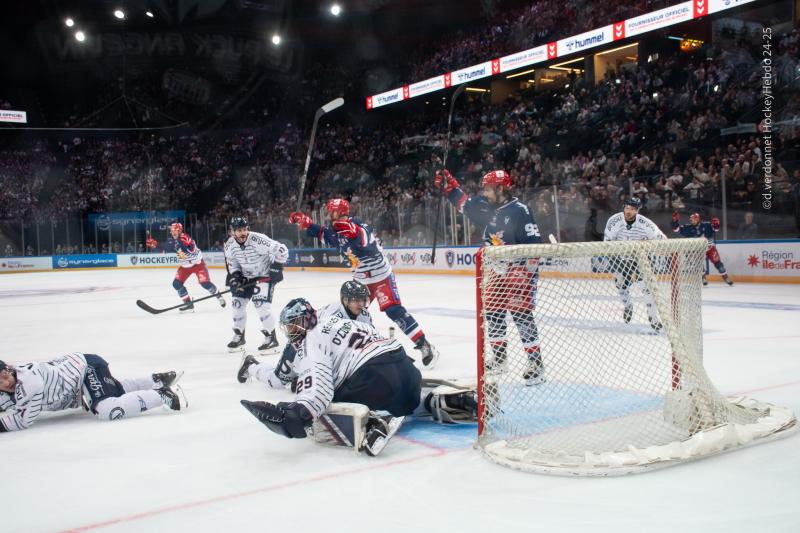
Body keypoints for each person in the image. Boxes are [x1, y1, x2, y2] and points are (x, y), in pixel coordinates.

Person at [239, 298, 478, 456]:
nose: (292, 331)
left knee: (325, 406)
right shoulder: (340, 321)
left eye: (294, 325)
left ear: (306, 320)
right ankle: (433, 401)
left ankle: (375, 420)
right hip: (406, 369)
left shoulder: (311, 340)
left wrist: (295, 415)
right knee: (401, 394)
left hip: (372, 380)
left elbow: (319, 390)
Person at [288, 199, 439, 369]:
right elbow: (321, 232)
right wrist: (305, 222)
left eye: (332, 212)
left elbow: (366, 242)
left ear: (340, 212)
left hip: (381, 277)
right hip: (360, 280)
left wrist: (353, 232)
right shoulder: (334, 233)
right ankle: (366, 348)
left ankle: (425, 345)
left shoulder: (358, 225)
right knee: (350, 314)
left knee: (393, 310)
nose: (330, 215)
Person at [435, 168, 544, 385]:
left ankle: (536, 363)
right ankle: (500, 359)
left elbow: (534, 245)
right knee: (493, 313)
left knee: (521, 315)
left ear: (501, 189)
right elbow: (463, 204)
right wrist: (449, 187)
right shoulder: (485, 206)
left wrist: (526, 273)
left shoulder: (520, 211)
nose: (484, 193)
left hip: (518, 269)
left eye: (488, 189)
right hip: (496, 268)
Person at [237, 280, 374, 388]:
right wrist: (306, 375)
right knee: (276, 382)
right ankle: (250, 366)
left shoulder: (364, 314)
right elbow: (323, 351)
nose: (361, 304)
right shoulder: (332, 318)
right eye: (356, 300)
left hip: (314, 344)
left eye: (363, 300)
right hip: (302, 342)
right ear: (345, 300)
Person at [0, 354, 183, 432]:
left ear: (9, 369)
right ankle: (156, 380)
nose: (6, 383)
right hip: (81, 373)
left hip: (86, 369)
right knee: (116, 391)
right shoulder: (14, 383)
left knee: (107, 409)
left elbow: (22, 420)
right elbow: (6, 401)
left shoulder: (29, 382)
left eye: (5, 376)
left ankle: (163, 394)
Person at [223, 216, 288, 354]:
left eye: (244, 229)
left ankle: (271, 338)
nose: (243, 233)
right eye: (239, 230)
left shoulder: (258, 239)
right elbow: (232, 263)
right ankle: (239, 336)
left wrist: (277, 267)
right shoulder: (229, 245)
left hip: (264, 275)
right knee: (236, 304)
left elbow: (282, 250)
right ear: (232, 232)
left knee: (261, 305)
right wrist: (236, 277)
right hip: (246, 277)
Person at [603, 197, 667, 330]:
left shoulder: (645, 224)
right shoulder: (614, 221)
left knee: (646, 288)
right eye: (627, 208)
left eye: (632, 209)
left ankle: (653, 318)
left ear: (637, 210)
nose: (628, 211)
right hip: (620, 257)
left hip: (641, 258)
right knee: (620, 284)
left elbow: (662, 239)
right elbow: (607, 243)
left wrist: (656, 246)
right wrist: (615, 259)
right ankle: (628, 306)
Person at [168, 222, 225, 313]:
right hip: (185, 266)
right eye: (172, 230)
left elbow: (191, 250)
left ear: (180, 231)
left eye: (175, 230)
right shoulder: (173, 240)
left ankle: (219, 296)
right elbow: (167, 249)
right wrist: (156, 245)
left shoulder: (185, 238)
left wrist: (181, 244)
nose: (172, 232)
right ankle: (188, 304)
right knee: (176, 284)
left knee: (205, 283)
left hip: (198, 264)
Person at [672, 212, 733, 286]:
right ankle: (703, 278)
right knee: (699, 265)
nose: (691, 220)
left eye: (693, 219)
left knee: (718, 264)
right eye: (691, 219)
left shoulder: (707, 225)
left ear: (697, 219)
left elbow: (716, 229)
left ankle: (726, 278)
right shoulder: (688, 228)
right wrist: (675, 221)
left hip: (710, 248)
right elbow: (676, 230)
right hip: (698, 250)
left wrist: (716, 224)